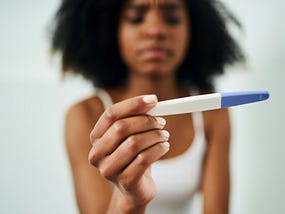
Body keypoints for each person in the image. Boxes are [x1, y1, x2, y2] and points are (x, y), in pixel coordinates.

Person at [51, 0, 244, 213]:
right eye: (135, 18)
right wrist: (131, 198)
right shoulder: (84, 115)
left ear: (194, 29)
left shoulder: (212, 112)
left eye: (172, 19)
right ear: (111, 29)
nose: (155, 31)